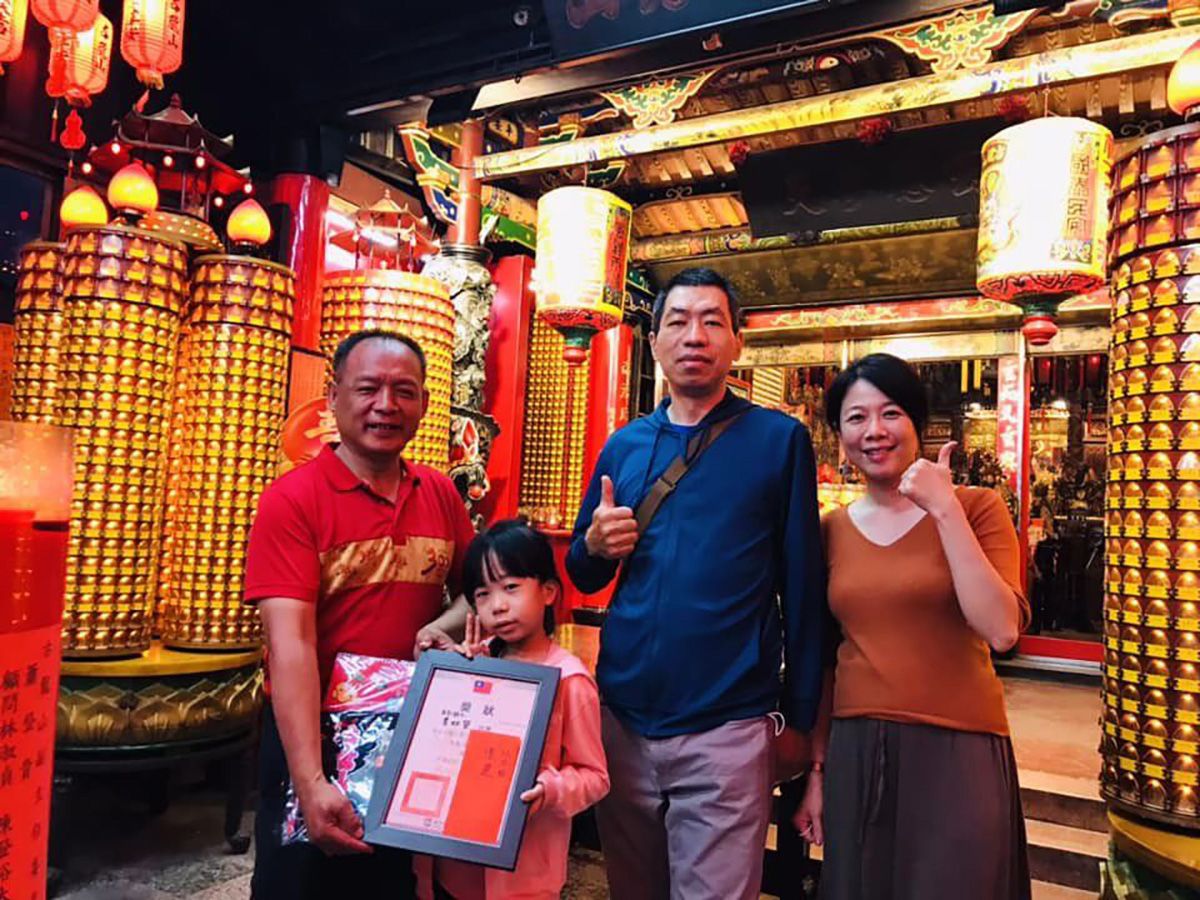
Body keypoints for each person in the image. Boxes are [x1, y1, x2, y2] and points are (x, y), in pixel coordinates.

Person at [566, 266, 827, 900]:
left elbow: (803, 588)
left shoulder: (778, 441)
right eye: (678, 321)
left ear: (737, 342)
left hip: (727, 724)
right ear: (654, 339)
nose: (695, 335)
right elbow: (581, 570)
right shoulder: (624, 447)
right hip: (624, 719)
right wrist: (595, 546)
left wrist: (800, 718)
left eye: (713, 321)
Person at [245, 329, 475, 899]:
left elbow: (480, 592)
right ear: (333, 397)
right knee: (299, 885)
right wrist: (310, 779)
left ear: (424, 403)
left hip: (409, 733)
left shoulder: (440, 494)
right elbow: (291, 645)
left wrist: (440, 627)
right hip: (315, 734)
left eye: (404, 391)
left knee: (392, 884)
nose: (386, 405)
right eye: (368, 388)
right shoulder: (292, 500)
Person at [793, 353, 1031, 900]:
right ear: (839, 436)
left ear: (917, 423)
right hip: (856, 747)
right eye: (856, 418)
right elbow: (825, 658)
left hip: (959, 746)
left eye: (891, 413)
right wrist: (818, 772)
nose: (874, 431)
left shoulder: (977, 508)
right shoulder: (830, 530)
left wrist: (943, 509)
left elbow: (1001, 630)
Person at [417, 518, 609, 900]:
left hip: (520, 874)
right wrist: (457, 678)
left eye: (511, 588)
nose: (498, 606)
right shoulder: (475, 662)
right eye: (483, 594)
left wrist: (550, 789)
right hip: (451, 864)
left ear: (548, 591)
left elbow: (595, 777)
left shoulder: (569, 680)